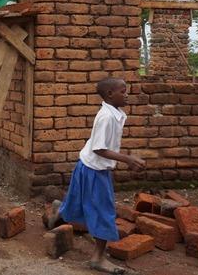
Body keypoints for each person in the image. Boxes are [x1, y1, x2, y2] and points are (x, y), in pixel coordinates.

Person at [46, 77, 146, 274]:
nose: (127, 94)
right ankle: (98, 258)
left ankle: (58, 212)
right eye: (123, 91)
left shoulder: (115, 113)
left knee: (77, 202)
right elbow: (99, 149)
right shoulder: (106, 117)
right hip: (93, 170)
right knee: (104, 212)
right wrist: (128, 159)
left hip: (87, 166)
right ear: (110, 94)